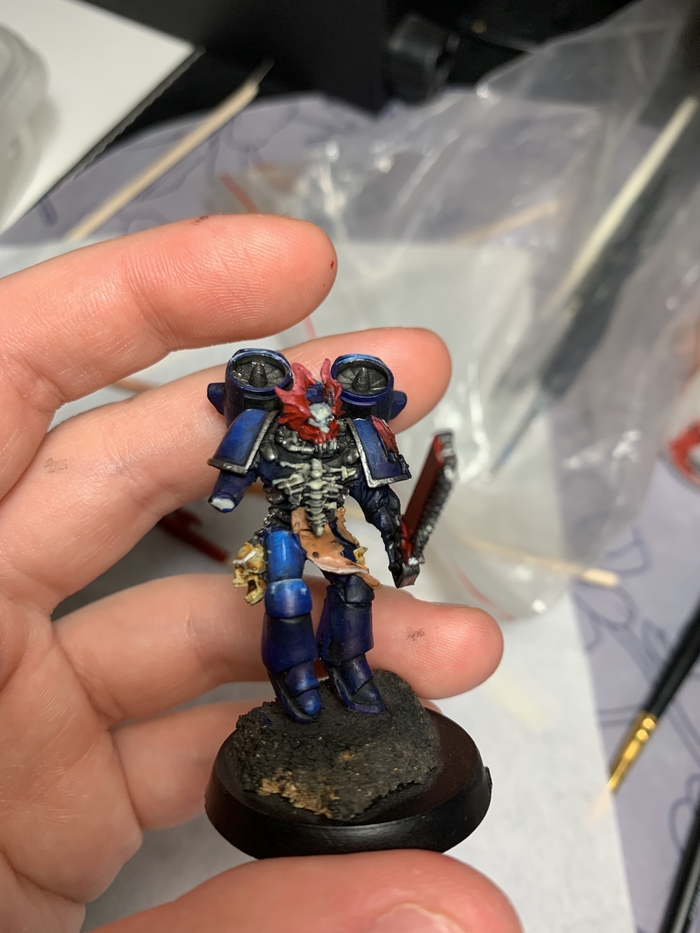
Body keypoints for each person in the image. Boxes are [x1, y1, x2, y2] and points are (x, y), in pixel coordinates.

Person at [0, 214, 521, 933]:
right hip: (283, 528)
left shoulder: (357, 437)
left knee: (350, 589)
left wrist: (396, 538)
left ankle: (351, 670)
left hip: (330, 530)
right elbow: (227, 486)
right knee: (285, 600)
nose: (317, 412)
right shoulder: (267, 432)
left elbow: (376, 494)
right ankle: (299, 683)